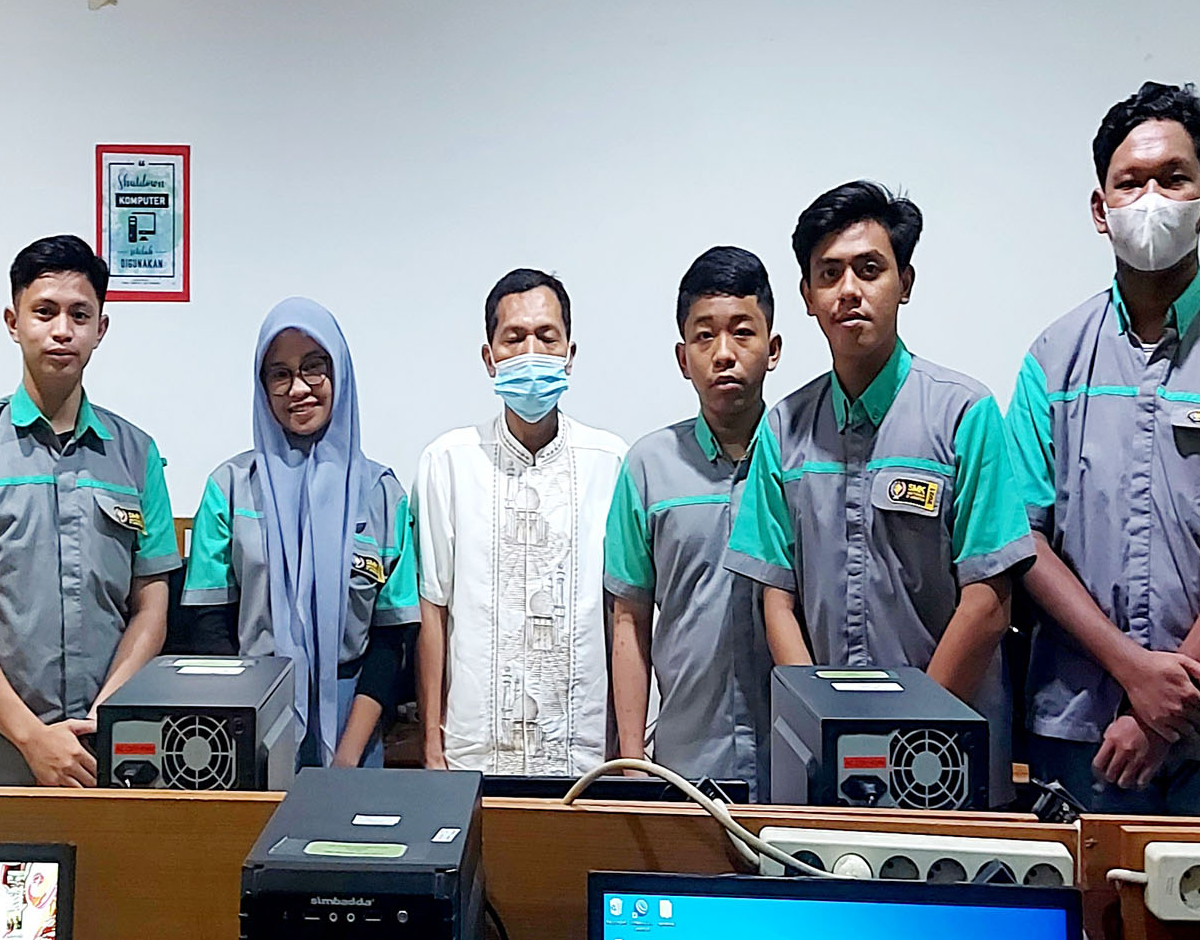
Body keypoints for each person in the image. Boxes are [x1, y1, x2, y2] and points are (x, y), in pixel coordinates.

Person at [1006, 82, 1200, 816]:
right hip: (1082, 726)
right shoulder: (1053, 357)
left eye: (1173, 178)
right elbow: (1025, 539)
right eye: (1131, 182)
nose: (1151, 198)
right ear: (1100, 208)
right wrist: (1132, 672)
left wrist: (1166, 703)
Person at [721, 186, 1034, 802]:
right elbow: (776, 599)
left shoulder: (964, 414)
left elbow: (988, 602)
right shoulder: (783, 430)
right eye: (829, 274)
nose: (849, 290)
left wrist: (910, 742)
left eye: (869, 269)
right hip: (826, 766)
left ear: (904, 283)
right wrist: (827, 729)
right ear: (808, 296)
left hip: (950, 763)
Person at [0, 235, 180, 786]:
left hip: (105, 752)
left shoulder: (137, 455)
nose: (62, 330)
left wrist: (105, 719)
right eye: (44, 312)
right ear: (13, 323)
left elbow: (151, 609)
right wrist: (31, 737)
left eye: (79, 315)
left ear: (100, 329)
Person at [177, 299, 420, 767]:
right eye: (280, 374)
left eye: (314, 367)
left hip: (353, 720)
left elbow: (391, 640)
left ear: (340, 374)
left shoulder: (381, 494)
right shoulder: (230, 488)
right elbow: (209, 626)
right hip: (248, 714)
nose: (299, 388)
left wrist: (346, 759)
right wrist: (242, 732)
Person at [416, 268, 628, 775]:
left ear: (570, 354)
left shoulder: (611, 463)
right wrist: (432, 746)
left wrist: (628, 751)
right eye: (514, 339)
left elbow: (624, 616)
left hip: (582, 755)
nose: (531, 353)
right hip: (472, 753)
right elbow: (433, 610)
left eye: (546, 337)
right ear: (489, 358)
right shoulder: (448, 461)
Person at [604, 247, 781, 792]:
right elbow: (629, 618)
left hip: (796, 762)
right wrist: (631, 761)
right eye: (705, 336)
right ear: (683, 358)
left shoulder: (803, 458)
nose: (724, 353)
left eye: (743, 333)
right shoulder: (647, 467)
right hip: (684, 765)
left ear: (773, 349)